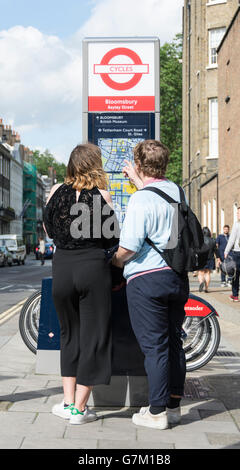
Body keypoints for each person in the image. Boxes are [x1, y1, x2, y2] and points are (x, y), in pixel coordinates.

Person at [112, 140, 189, 430]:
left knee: (154, 347)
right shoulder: (177, 193)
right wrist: (138, 181)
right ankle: (172, 406)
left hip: (147, 280)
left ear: (141, 165)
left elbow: (129, 247)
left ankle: (155, 412)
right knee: (172, 342)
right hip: (176, 278)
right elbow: (170, 240)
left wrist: (116, 263)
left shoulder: (141, 199)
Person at [43, 143, 119, 425]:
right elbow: (112, 239)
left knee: (68, 334)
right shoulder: (102, 195)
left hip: (62, 268)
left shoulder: (54, 192)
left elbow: (48, 229)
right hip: (92, 268)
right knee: (94, 336)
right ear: (94, 165)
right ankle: (79, 408)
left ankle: (66, 400)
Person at [224, 207, 240, 303]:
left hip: (237, 252)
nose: (237, 214)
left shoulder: (237, 224)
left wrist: (226, 251)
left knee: (235, 275)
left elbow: (232, 239)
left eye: (238, 213)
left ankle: (235, 295)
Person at [197, 227, 217, 293]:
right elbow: (216, 250)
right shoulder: (213, 240)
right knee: (207, 273)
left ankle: (201, 282)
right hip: (210, 258)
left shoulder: (200, 240)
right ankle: (206, 288)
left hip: (201, 258)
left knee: (200, 273)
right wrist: (219, 257)